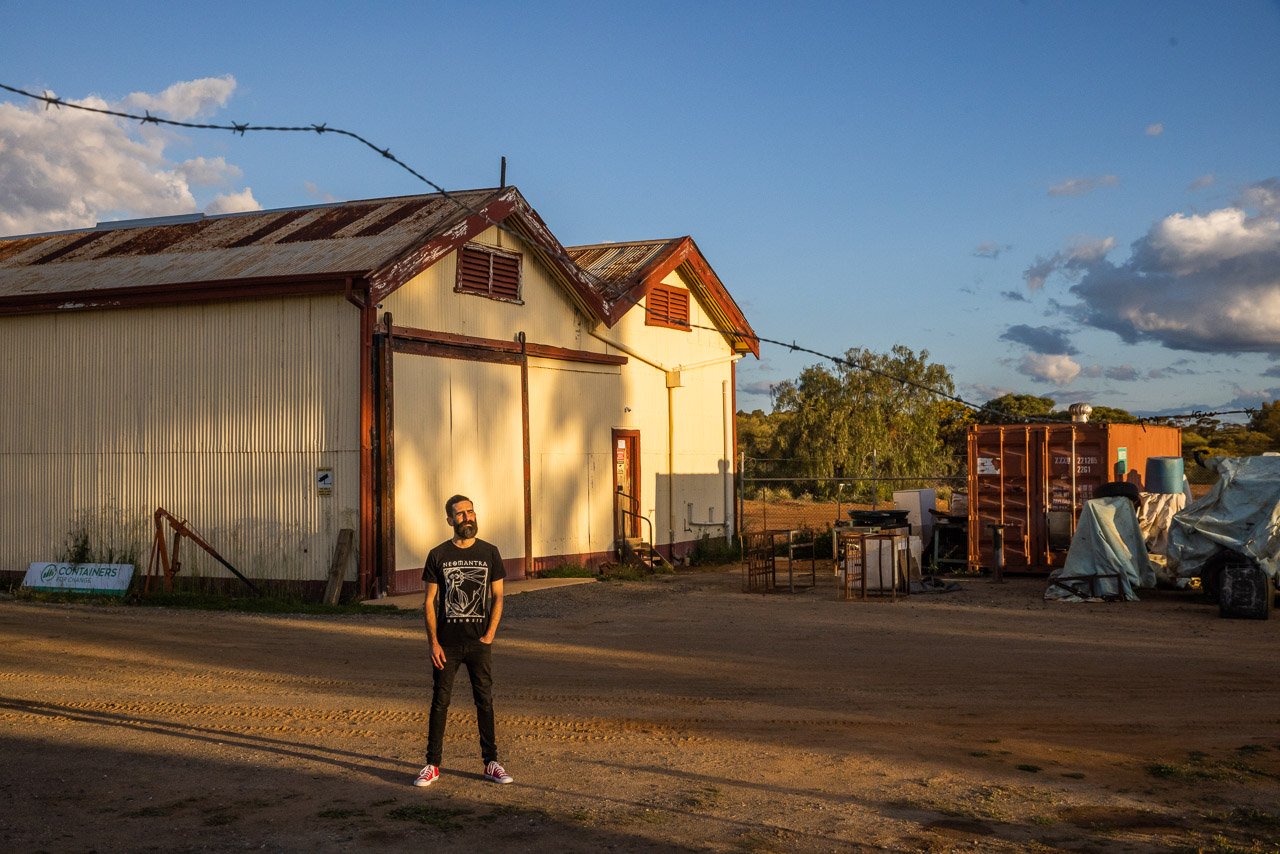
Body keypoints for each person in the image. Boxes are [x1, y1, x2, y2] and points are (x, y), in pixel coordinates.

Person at [414, 494, 514, 787]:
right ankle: (432, 765)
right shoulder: (438, 555)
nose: (468, 517)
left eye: (470, 512)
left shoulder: (490, 553)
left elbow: (498, 596)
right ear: (450, 520)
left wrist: (490, 634)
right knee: (439, 702)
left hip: (479, 643)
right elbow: (429, 602)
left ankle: (491, 762)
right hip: (446, 645)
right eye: (460, 514)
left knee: (484, 701)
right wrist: (433, 642)